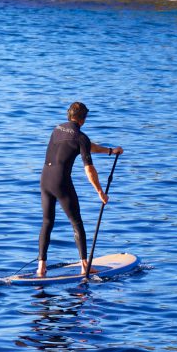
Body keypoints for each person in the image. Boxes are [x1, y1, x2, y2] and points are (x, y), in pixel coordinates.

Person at [37, 102, 123, 277]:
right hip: (61, 182)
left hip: (45, 179)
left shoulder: (57, 129)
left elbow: (86, 146)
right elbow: (89, 169)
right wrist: (100, 192)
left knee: (47, 222)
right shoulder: (80, 137)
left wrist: (110, 151)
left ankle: (41, 268)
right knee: (76, 223)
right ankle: (85, 266)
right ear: (83, 119)